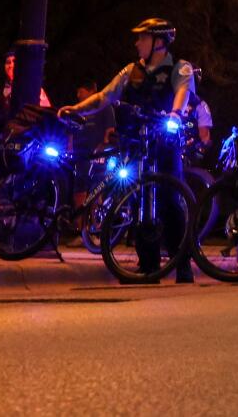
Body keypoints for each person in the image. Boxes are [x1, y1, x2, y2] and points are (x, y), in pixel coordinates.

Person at [62, 17, 198, 283]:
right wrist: (76, 109)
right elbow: (105, 96)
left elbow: (182, 94)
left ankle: (182, 263)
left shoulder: (180, 68)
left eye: (142, 38)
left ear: (159, 42)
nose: (137, 43)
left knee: (170, 200)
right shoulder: (130, 71)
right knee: (136, 198)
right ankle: (147, 264)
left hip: (164, 140)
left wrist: (175, 115)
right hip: (136, 142)